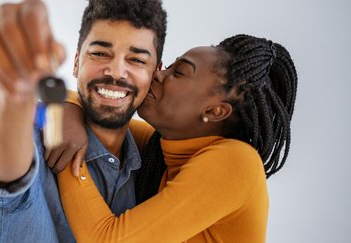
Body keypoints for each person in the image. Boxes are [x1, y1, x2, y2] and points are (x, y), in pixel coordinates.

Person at [0, 0, 167, 242]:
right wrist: (11, 92)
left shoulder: (153, 164)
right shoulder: (39, 133)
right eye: (99, 53)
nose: (116, 72)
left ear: (155, 73)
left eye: (137, 60)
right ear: (76, 62)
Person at [57, 34, 298, 242]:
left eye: (179, 72)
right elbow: (94, 111)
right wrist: (68, 111)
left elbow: (105, 240)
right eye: (169, 66)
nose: (158, 74)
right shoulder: (164, 149)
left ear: (215, 111)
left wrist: (66, 148)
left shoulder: (237, 162)